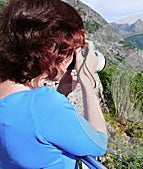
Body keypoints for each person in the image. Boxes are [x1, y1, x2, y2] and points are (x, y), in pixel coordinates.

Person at [0, 0, 108, 168]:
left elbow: (33, 125)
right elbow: (98, 143)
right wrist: (86, 79)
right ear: (54, 50)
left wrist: (61, 92)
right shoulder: (44, 104)